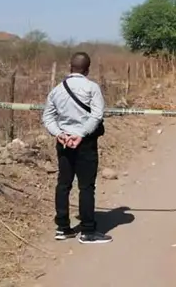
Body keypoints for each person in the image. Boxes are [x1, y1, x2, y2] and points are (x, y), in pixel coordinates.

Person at [42, 52, 111, 244]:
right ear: (87, 69)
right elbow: (97, 115)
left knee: (63, 184)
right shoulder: (91, 87)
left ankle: (63, 228)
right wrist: (81, 134)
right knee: (86, 187)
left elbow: (47, 117)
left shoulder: (56, 90)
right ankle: (88, 231)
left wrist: (59, 133)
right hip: (85, 142)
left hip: (64, 142)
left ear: (70, 67)